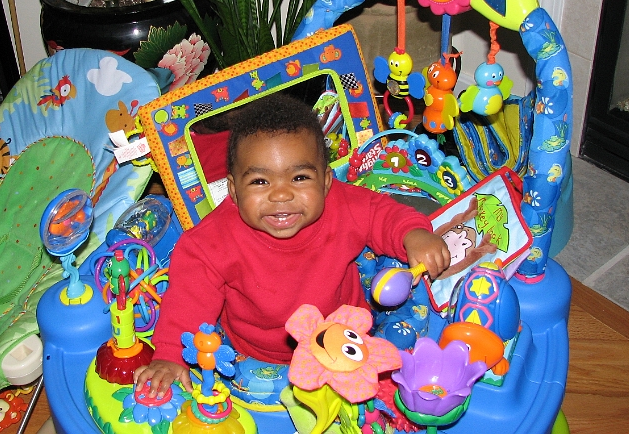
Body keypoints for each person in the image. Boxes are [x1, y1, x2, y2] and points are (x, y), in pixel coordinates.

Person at [134, 93, 450, 397]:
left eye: (299, 178)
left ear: (326, 181)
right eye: (260, 181)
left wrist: (414, 234)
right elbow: (189, 297)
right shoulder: (212, 243)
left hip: (348, 337)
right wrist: (171, 353)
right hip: (260, 354)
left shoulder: (343, 203)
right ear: (233, 189)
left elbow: (382, 213)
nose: (281, 195)